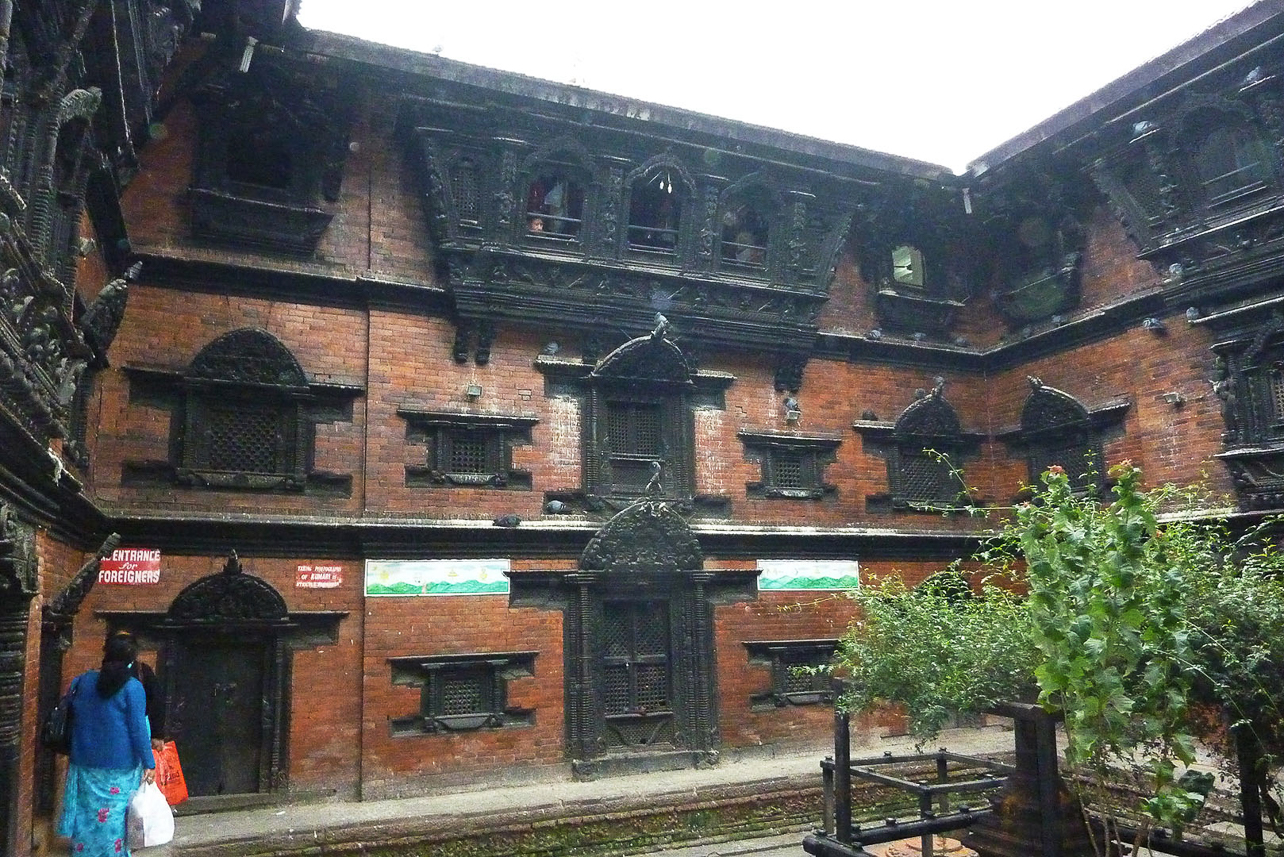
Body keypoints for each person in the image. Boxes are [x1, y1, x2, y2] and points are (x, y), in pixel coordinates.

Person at [58, 634, 156, 856]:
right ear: (131, 660)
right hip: (121, 765)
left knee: (86, 816)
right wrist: (149, 762)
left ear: (106, 654)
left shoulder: (82, 681)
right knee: (115, 818)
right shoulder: (133, 688)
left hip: (84, 761)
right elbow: (138, 729)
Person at [111, 630, 166, 750]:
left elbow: (157, 701)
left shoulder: (143, 671)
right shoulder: (101, 672)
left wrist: (157, 733)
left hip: (137, 728)